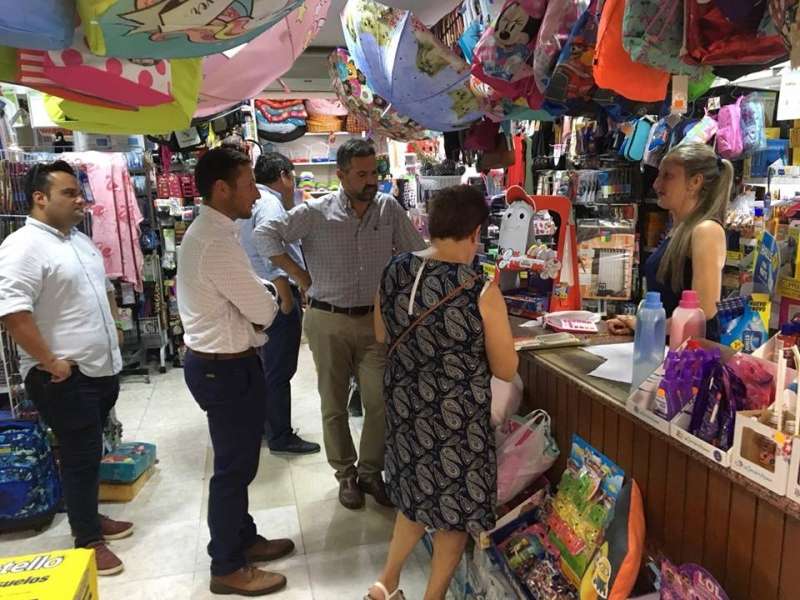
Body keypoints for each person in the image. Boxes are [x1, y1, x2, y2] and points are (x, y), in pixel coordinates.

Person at [255, 138, 426, 510]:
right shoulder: (315, 211)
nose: (371, 180)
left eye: (374, 172)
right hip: (327, 319)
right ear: (341, 175)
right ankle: (345, 474)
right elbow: (264, 234)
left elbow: (415, 253)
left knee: (379, 401)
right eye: (361, 174)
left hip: (375, 322)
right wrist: (300, 275)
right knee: (333, 403)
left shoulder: (388, 208)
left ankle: (370, 472)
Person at [367, 185, 518, 600]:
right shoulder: (479, 289)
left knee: (415, 497)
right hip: (456, 422)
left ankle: (385, 582)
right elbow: (506, 369)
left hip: (405, 410)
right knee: (453, 517)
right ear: (475, 232)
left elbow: (381, 333)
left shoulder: (395, 269)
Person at [0, 160, 132, 576]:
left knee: (93, 452)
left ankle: (88, 516)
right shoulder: (22, 246)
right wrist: (50, 362)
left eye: (80, 193)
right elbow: (13, 313)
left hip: (98, 369)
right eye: (69, 194)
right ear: (40, 198)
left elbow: (104, 288)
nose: (80, 201)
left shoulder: (78, 240)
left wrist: (116, 327)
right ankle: (87, 539)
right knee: (79, 456)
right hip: (63, 377)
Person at [177, 147, 293, 597]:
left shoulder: (214, 233)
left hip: (222, 364)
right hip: (222, 369)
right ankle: (226, 565)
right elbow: (264, 311)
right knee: (232, 469)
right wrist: (266, 299)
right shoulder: (214, 241)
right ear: (222, 189)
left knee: (240, 464)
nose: (256, 195)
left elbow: (249, 298)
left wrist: (256, 298)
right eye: (248, 186)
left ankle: (243, 538)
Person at [238, 152, 320, 455]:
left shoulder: (253, 203)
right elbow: (268, 250)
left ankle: (265, 426)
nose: (293, 184)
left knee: (266, 366)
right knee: (279, 368)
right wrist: (287, 293)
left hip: (258, 293)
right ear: (284, 176)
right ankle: (280, 435)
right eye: (292, 177)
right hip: (276, 293)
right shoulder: (270, 204)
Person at [607, 143, 732, 341]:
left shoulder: (706, 230)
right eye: (659, 175)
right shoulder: (680, 229)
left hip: (689, 356)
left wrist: (646, 325)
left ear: (695, 182)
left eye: (668, 176)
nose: (656, 184)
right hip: (666, 348)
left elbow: (703, 311)